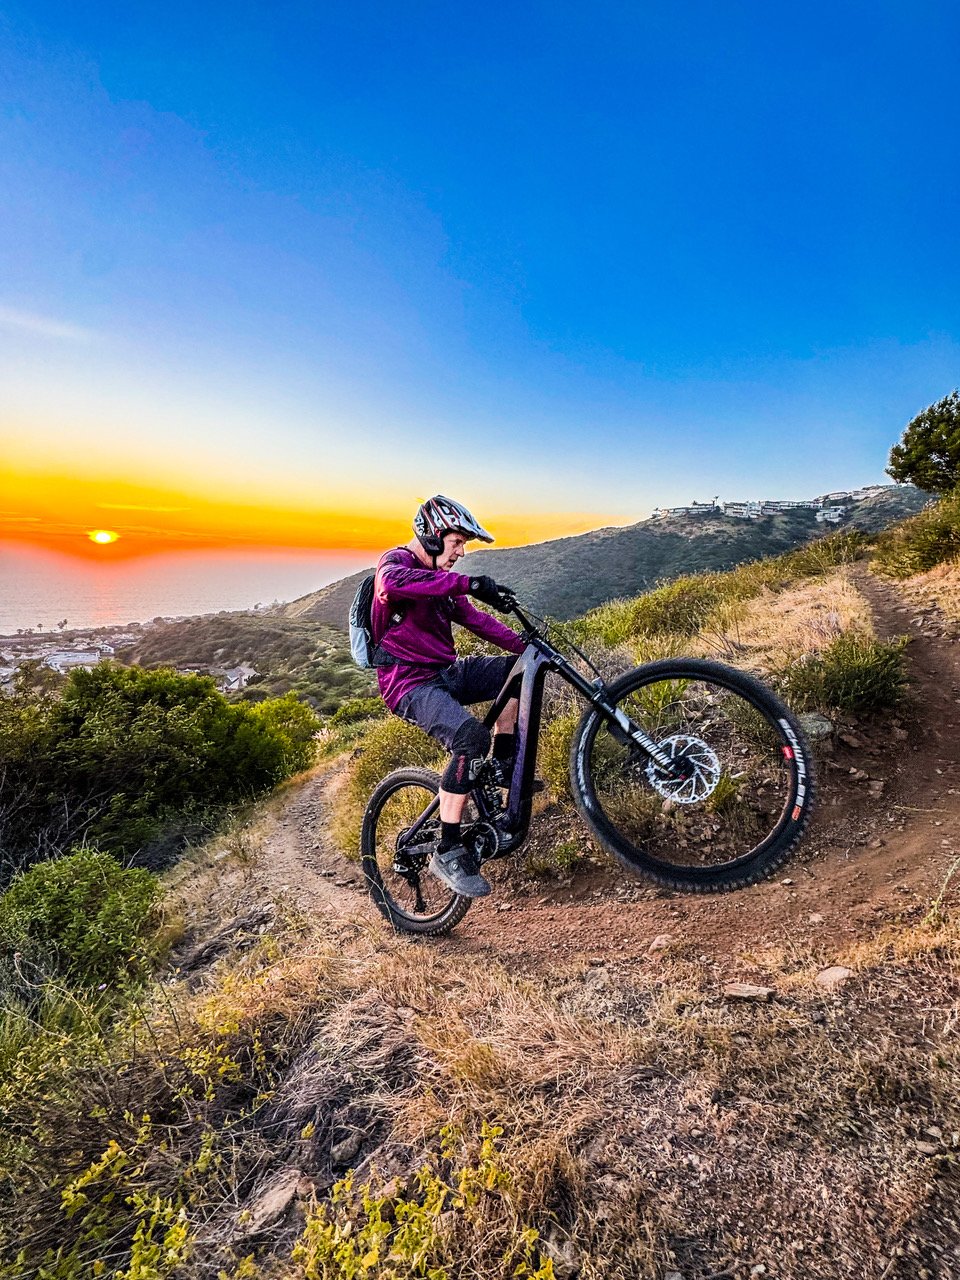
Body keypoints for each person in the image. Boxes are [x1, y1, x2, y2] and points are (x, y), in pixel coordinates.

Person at [370, 495, 524, 898]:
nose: (460, 552)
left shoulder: (442, 582)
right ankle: (449, 848)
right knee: (470, 738)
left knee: (518, 672)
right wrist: (470, 583)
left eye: (462, 546)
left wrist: (523, 646)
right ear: (433, 536)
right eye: (456, 542)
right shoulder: (397, 563)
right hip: (408, 683)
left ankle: (506, 765)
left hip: (446, 672)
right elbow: (390, 585)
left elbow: (473, 618)